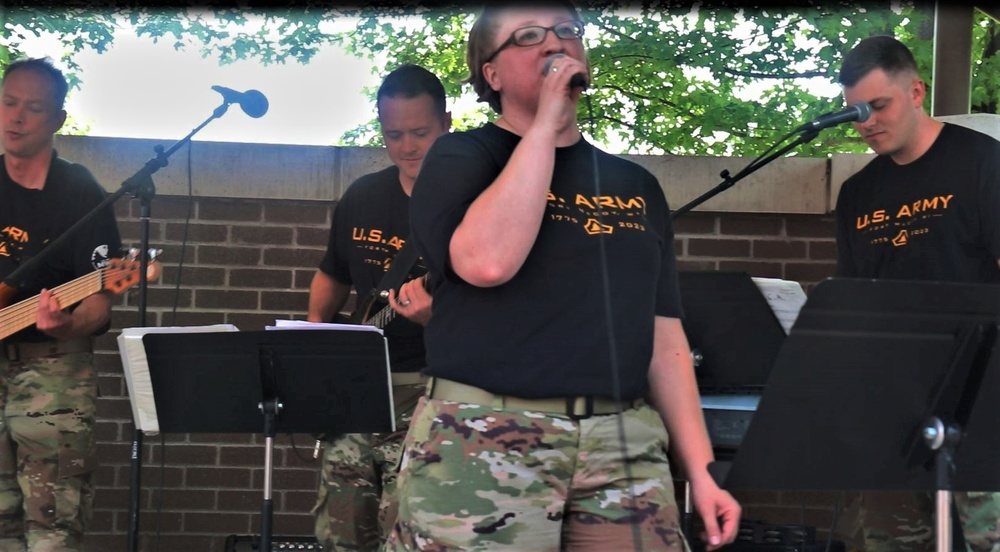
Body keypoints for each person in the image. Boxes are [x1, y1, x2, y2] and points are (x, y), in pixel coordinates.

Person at [386, 3, 741, 550]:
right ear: (493, 73)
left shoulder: (634, 183)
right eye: (527, 36)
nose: (555, 44)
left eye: (568, 32)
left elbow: (664, 338)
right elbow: (486, 263)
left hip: (622, 445)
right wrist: (546, 126)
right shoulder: (461, 156)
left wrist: (702, 471)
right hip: (483, 438)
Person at [834, 35, 1000, 552]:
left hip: (981, 396)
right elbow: (856, 300)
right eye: (856, 110)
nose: (866, 121)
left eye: (878, 105)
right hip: (894, 402)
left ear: (917, 92)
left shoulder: (984, 164)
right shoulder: (857, 193)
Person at [307, 64, 451, 551]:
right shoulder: (363, 196)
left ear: (446, 124)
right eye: (393, 134)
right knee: (342, 527)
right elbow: (333, 273)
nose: (406, 146)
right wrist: (314, 331)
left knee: (409, 527)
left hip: (433, 390)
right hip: (357, 387)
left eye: (420, 133)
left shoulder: (473, 203)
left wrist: (439, 320)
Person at [0, 58, 122, 551]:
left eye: (33, 108)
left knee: (52, 528)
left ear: (58, 120)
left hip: (52, 373)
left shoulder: (80, 194)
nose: (16, 117)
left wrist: (67, 325)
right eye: (9, 103)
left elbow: (101, 298)